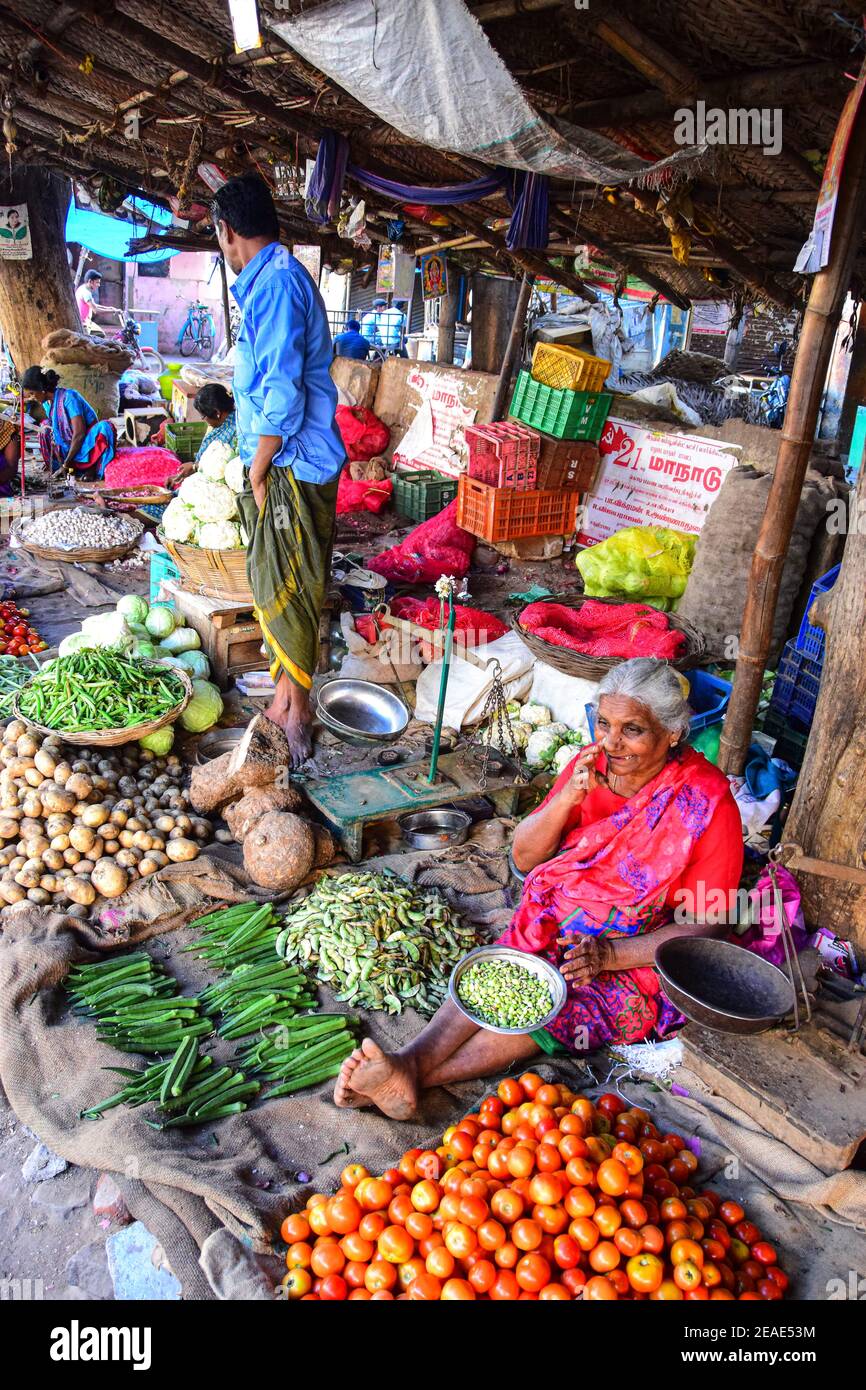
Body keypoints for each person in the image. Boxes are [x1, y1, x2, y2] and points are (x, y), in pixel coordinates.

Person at [334, 659, 744, 1118]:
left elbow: (710, 925)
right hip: (554, 917)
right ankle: (408, 1063)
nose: (611, 742)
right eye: (604, 723)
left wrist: (610, 955)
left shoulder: (705, 802)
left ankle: (412, 1073)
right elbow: (523, 860)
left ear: (671, 733)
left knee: (559, 1007)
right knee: (503, 969)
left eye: (633, 730)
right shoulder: (588, 767)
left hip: (641, 948)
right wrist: (568, 797)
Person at [211, 174, 344, 766]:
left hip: (292, 460)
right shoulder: (271, 281)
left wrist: (259, 468)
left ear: (227, 232)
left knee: (291, 588)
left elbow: (284, 397)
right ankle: (287, 698)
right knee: (280, 585)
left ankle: (296, 713)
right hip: (286, 459)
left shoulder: (277, 286)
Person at [21, 367, 117, 479]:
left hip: (86, 444)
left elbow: (79, 434)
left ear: (42, 389)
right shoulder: (47, 404)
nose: (32, 398)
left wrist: (67, 462)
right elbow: (57, 430)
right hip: (68, 447)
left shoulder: (69, 398)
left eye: (32, 393)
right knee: (44, 427)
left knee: (105, 427)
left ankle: (92, 467)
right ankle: (61, 466)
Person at [166, 383, 238, 488]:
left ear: (217, 413)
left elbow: (222, 467)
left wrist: (195, 467)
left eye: (203, 416)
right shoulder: (224, 423)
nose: (202, 419)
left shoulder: (234, 431)